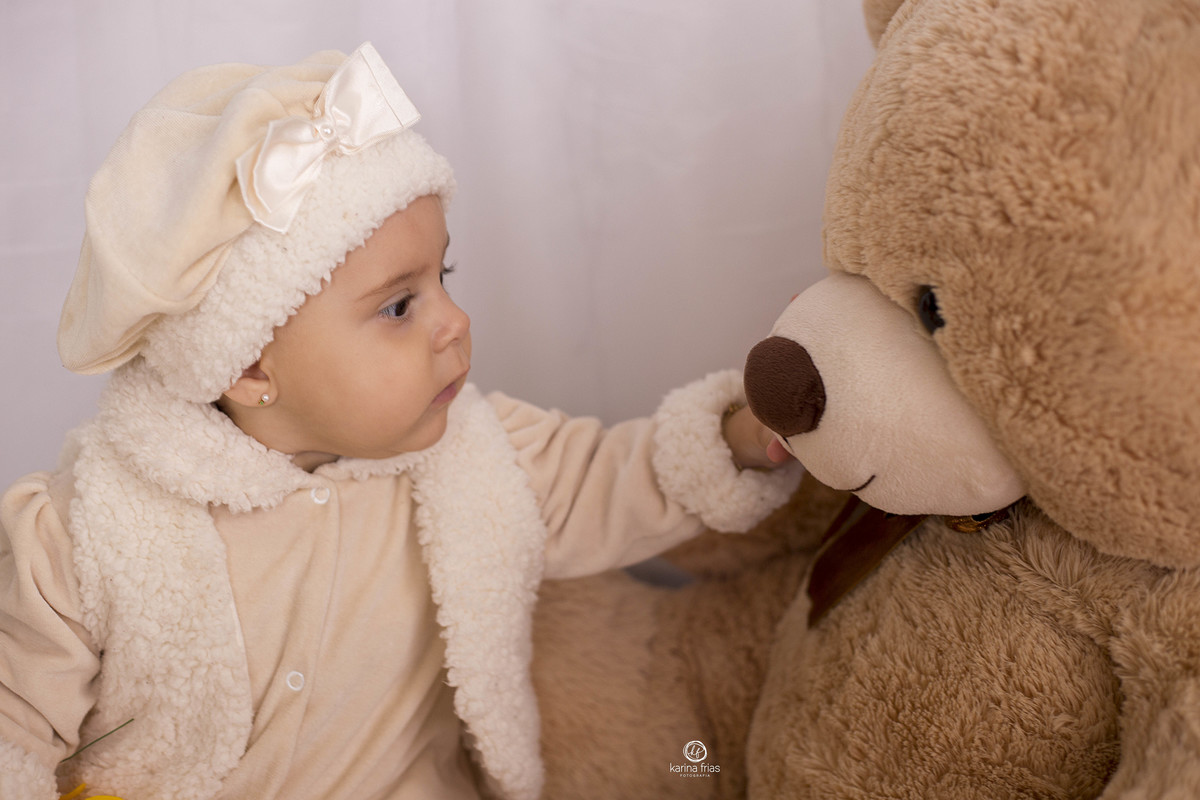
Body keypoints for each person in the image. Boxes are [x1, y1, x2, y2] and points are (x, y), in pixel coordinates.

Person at [0, 43, 799, 800]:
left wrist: (735, 438)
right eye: (398, 305)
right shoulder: (91, 534)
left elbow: (622, 478)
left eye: (443, 276)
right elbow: (15, 728)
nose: (453, 321)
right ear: (247, 366)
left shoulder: (477, 456)